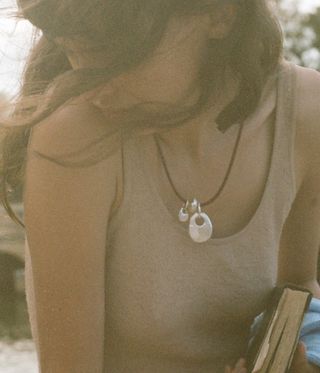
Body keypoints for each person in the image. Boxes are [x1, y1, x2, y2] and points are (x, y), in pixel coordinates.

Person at [0, 0, 319, 372]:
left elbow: (299, 295)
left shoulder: (305, 111)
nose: (91, 88)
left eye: (119, 54)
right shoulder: (74, 140)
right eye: (74, 51)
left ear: (220, 13)